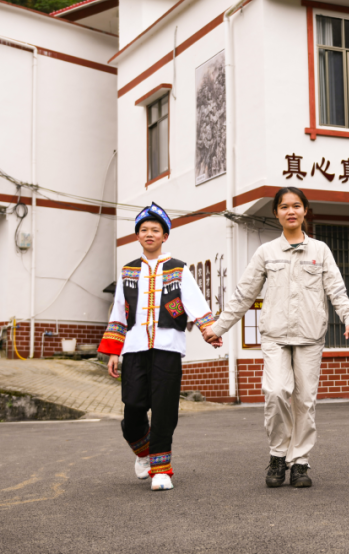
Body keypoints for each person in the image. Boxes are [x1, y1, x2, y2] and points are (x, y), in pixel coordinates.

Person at [203, 187, 349, 488]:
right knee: (276, 392)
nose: (291, 211)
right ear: (276, 212)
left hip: (310, 336)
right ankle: (278, 454)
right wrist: (219, 327)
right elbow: (244, 293)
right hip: (275, 336)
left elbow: (337, 291)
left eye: (296, 206)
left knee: (304, 402)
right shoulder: (266, 252)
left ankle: (300, 462)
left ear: (305, 211)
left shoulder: (320, 251)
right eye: (284, 206)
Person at [98, 202, 219, 492]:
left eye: (155, 230)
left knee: (165, 411)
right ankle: (143, 452)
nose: (149, 234)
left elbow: (194, 302)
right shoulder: (128, 272)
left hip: (168, 349)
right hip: (134, 349)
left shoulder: (178, 269)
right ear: (137, 236)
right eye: (144, 230)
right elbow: (119, 313)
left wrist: (209, 329)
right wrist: (113, 351)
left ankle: (161, 470)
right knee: (132, 410)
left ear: (165, 236)